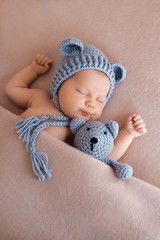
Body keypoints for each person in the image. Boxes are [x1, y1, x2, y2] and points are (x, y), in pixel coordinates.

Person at [5, 38, 147, 180]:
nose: (91, 104)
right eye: (82, 92)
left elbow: (105, 155)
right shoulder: (39, 98)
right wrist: (32, 70)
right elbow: (12, 89)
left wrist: (127, 134)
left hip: (28, 173)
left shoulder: (80, 131)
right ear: (59, 85)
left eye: (100, 100)